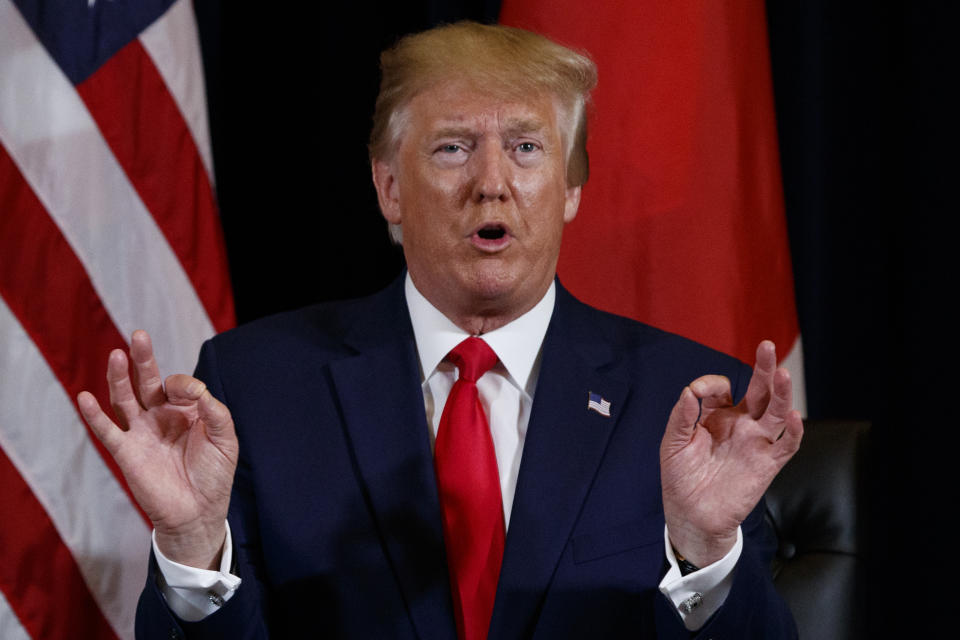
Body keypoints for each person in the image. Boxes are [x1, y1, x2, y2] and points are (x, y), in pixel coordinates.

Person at [78, 21, 803, 639]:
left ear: (571, 188)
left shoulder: (685, 406)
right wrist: (193, 548)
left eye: (526, 148)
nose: (491, 182)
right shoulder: (259, 387)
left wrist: (705, 548)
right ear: (389, 187)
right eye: (453, 147)